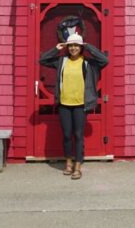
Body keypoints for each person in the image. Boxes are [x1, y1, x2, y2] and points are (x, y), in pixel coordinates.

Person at [39, 32, 108, 180]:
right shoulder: (61, 61)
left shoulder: (88, 63)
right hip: (64, 104)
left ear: (81, 47)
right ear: (67, 47)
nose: (73, 48)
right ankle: (68, 163)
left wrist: (89, 47)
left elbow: (104, 60)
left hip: (80, 105)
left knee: (78, 135)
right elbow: (42, 60)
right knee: (66, 135)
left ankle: (78, 165)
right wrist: (56, 49)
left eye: (77, 45)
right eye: (71, 45)